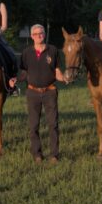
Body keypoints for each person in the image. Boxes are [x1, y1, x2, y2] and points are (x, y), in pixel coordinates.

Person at [18, 24, 66, 163]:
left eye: (41, 33)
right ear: (32, 36)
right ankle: (37, 154)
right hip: (32, 92)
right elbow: (24, 73)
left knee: (53, 125)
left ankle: (54, 155)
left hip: (50, 92)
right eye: (36, 34)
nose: (39, 35)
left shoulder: (53, 50)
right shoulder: (26, 53)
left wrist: (65, 78)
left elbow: (57, 72)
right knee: (34, 126)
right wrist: (16, 79)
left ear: (44, 34)